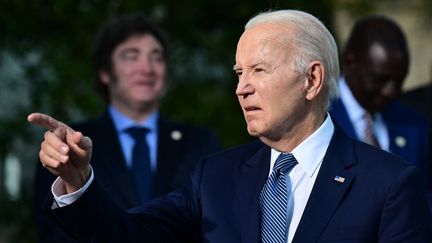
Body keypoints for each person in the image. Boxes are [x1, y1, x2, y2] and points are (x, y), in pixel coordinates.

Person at [28, 9, 432, 243]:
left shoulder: (390, 185)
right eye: (239, 72)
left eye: (258, 70)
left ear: (312, 79)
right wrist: (78, 183)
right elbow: (125, 236)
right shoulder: (215, 177)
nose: (241, 88)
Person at [32, 13, 220, 243]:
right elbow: (55, 233)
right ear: (105, 72)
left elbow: (214, 224)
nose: (147, 68)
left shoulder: (199, 141)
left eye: (156, 57)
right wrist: (74, 180)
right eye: (131, 56)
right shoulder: (68, 146)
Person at [329, 15, 431, 192]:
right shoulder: (318, 115)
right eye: (381, 80)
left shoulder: (412, 123)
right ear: (350, 62)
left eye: (399, 81)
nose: (391, 91)